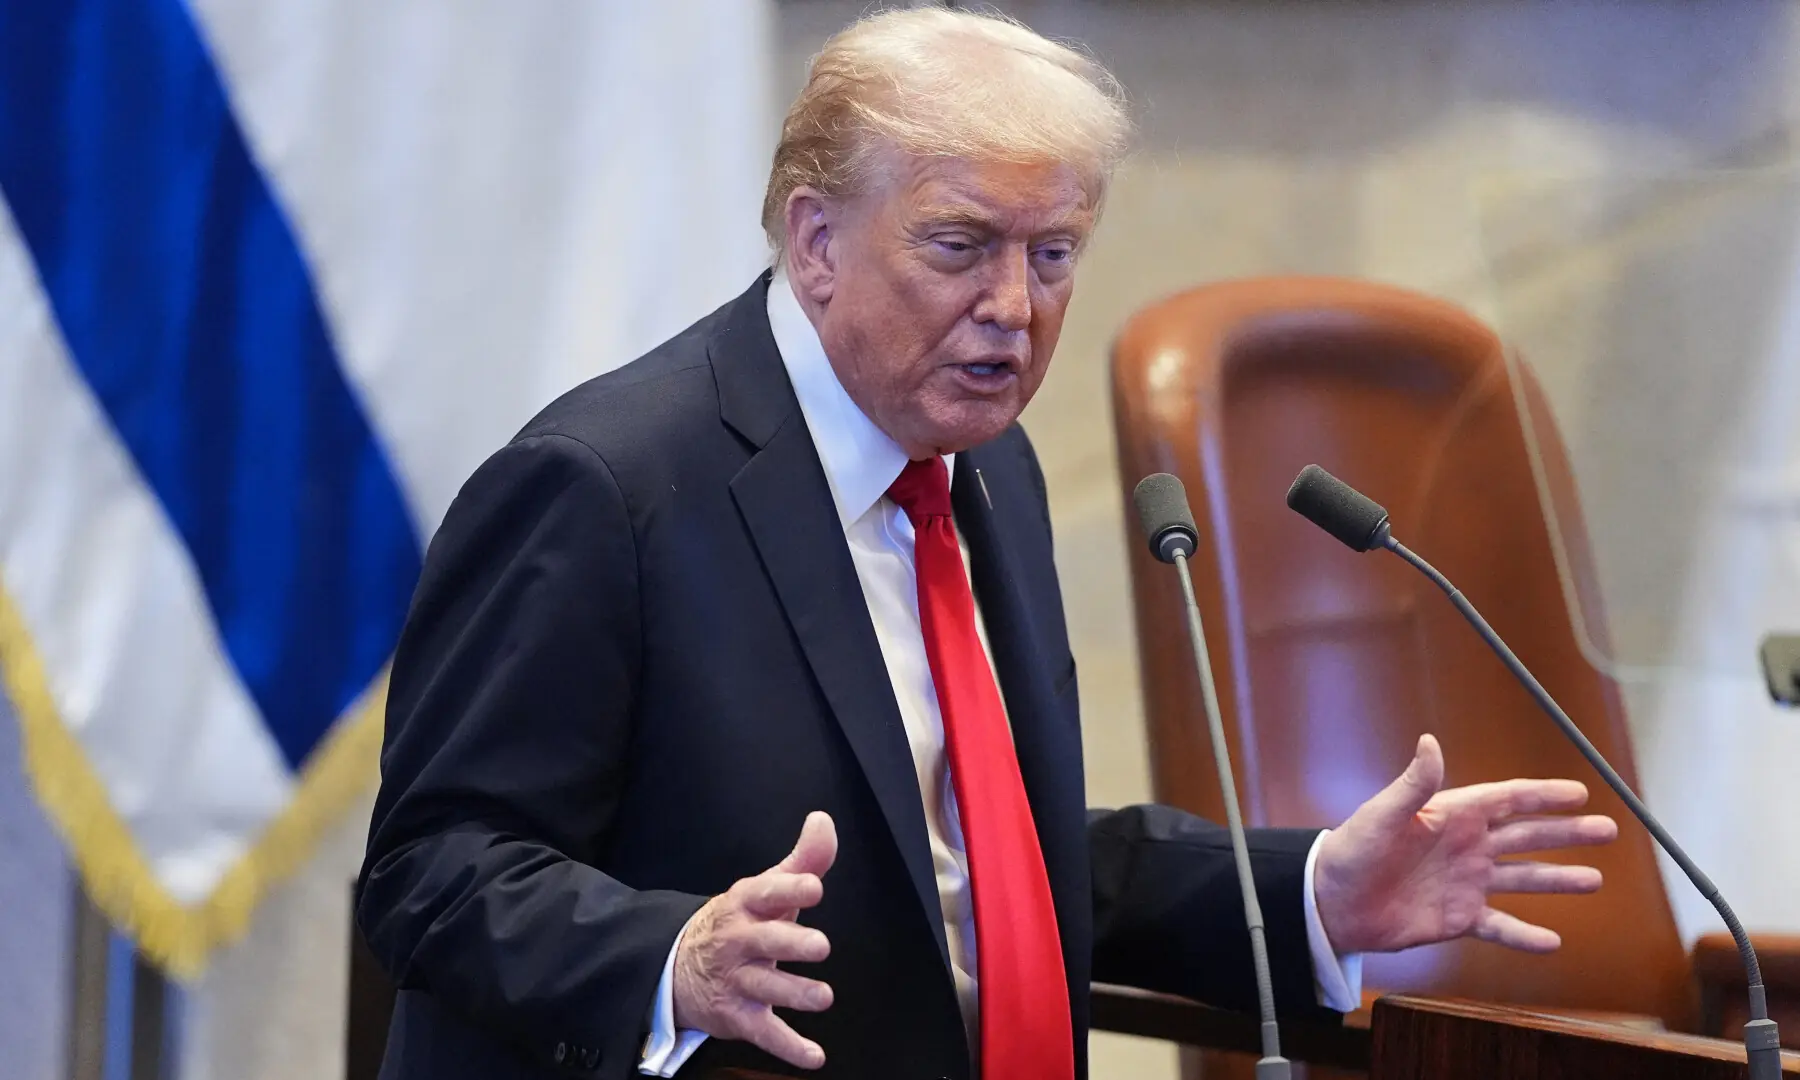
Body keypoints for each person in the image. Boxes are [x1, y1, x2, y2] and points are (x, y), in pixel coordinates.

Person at [355, 9, 1618, 1080]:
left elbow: (992, 856)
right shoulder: (602, 487)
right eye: (960, 247)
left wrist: (1309, 894)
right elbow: (430, 871)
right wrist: (667, 960)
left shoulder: (981, 469)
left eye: (1053, 255)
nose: (1014, 309)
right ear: (815, 242)